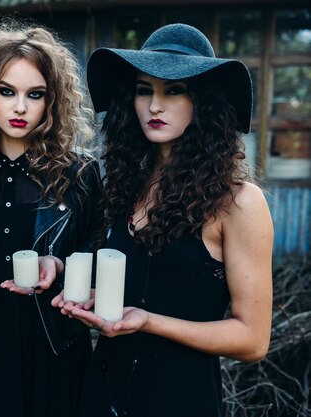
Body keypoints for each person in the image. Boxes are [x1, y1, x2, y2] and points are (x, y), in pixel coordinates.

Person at [52, 23, 273, 417]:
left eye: (174, 90)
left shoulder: (238, 202)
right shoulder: (125, 185)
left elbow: (252, 340)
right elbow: (134, 284)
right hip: (101, 392)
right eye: (144, 90)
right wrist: (76, 285)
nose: (154, 105)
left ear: (203, 101)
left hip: (178, 399)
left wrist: (149, 322)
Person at [0, 21, 105, 417]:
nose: (20, 107)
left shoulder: (80, 175)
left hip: (57, 350)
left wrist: (62, 265)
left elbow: (104, 254)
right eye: (7, 92)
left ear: (52, 102)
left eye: (34, 95)